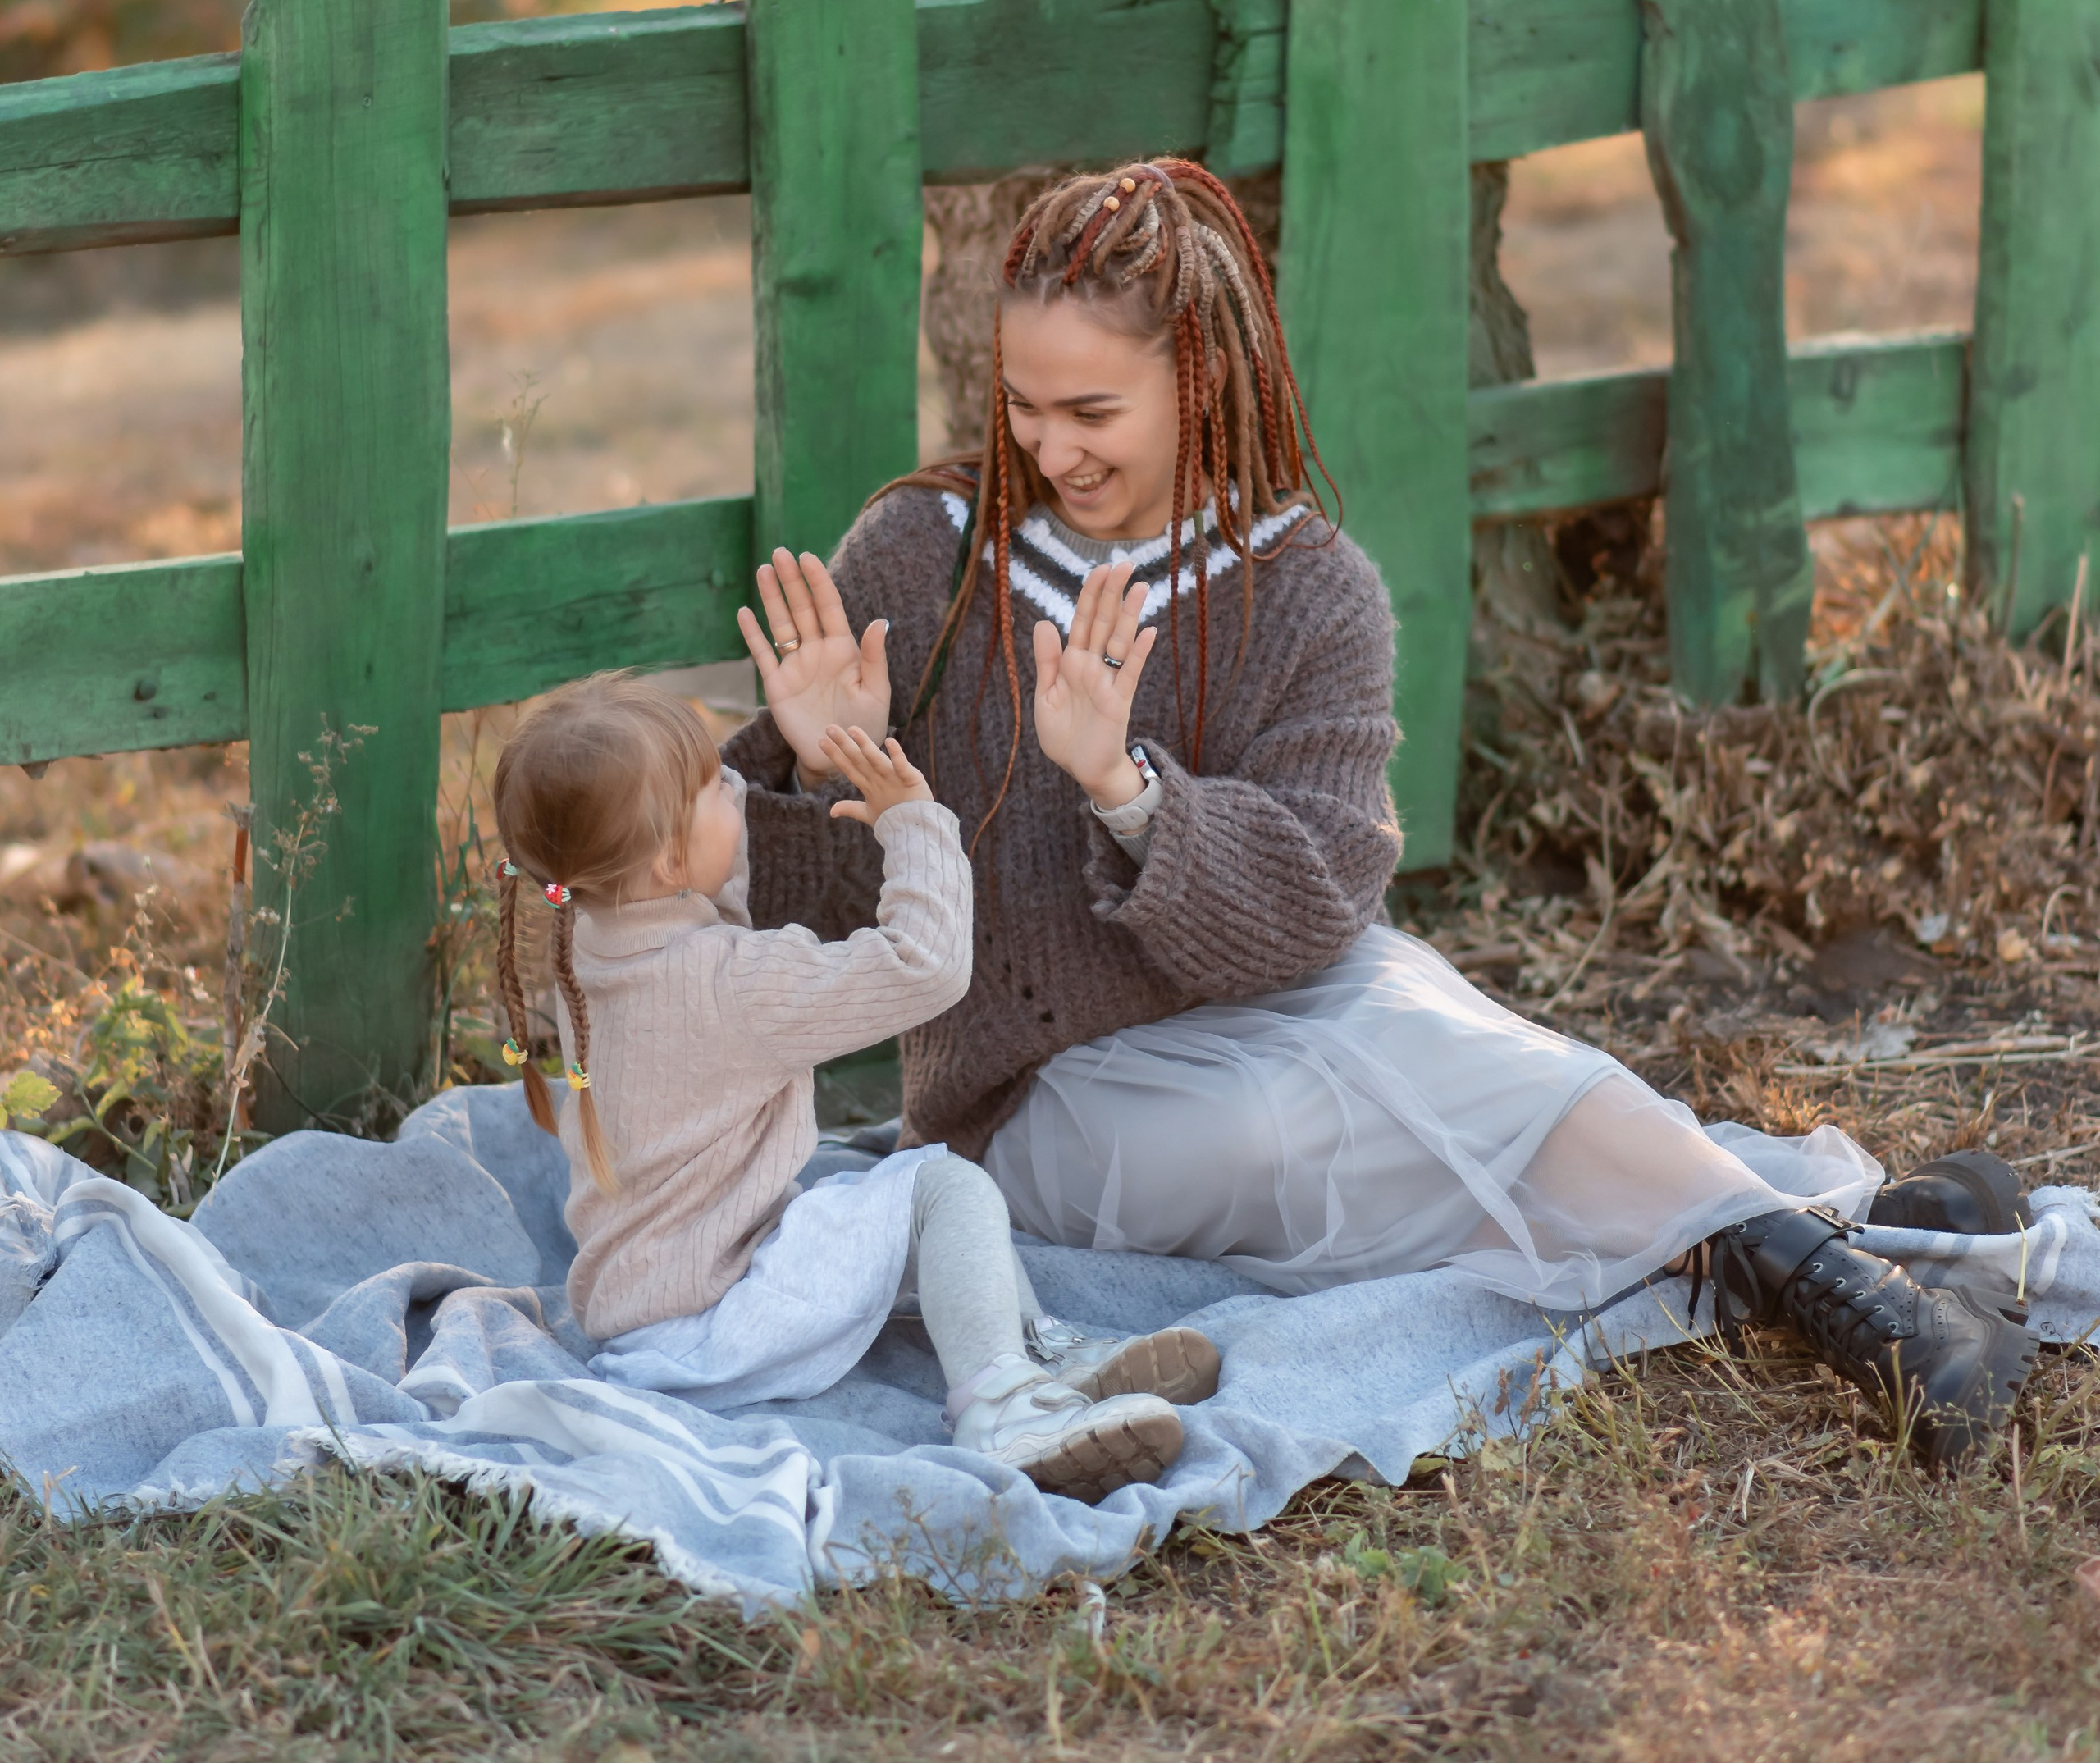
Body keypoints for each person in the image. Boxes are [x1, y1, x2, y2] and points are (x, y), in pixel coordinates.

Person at [728, 156, 2038, 1468]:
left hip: (1290, 1005)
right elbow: (822, 930)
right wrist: (817, 766)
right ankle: (1877, 1265)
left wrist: (1125, 793)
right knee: (1320, 1112)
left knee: (1435, 1032)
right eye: (1021, 406)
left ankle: (1868, 1310)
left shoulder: (1311, 590)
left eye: (1091, 409)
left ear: (1204, 375)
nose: (1049, 448)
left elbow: (1316, 912)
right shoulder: (918, 558)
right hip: (1036, 1109)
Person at [490, 671, 1221, 1503]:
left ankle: (1040, 1355)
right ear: (665, 856)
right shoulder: (732, 983)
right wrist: (915, 826)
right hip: (718, 1323)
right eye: (709, 785)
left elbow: (709, 893)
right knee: (941, 1187)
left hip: (644, 1313)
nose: (734, 783)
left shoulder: (591, 943)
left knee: (848, 1176)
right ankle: (1004, 1406)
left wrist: (766, 772)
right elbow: (925, 965)